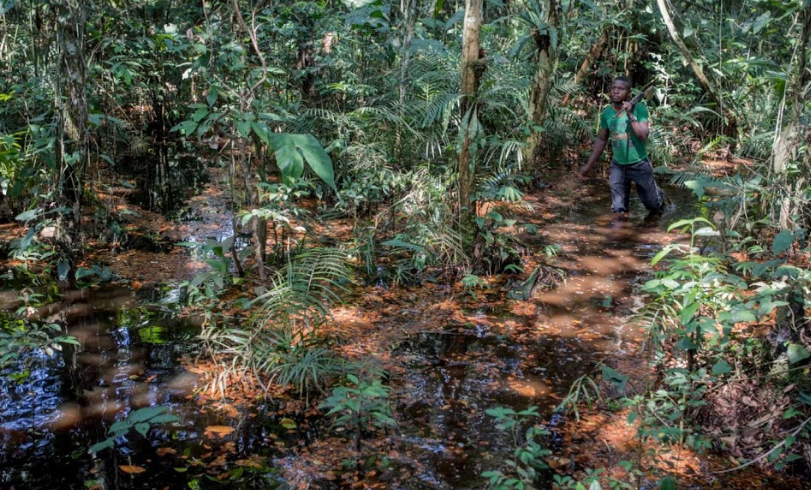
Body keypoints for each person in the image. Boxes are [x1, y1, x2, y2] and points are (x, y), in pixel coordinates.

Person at [578, 76, 664, 216]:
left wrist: (630, 115)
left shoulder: (639, 108)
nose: (616, 92)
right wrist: (588, 165)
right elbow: (601, 139)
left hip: (639, 164)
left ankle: (659, 196)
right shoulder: (607, 112)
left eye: (621, 89)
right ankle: (620, 236)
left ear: (628, 93)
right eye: (613, 88)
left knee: (653, 206)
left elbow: (643, 136)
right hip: (618, 166)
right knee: (618, 209)